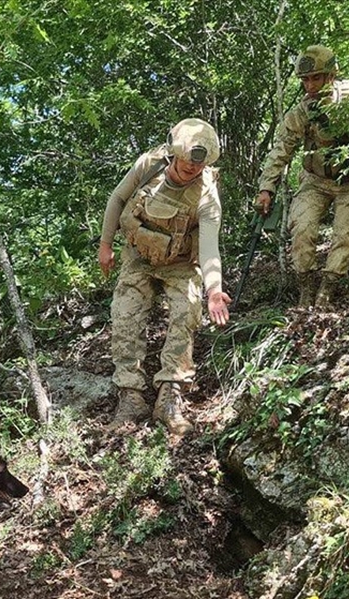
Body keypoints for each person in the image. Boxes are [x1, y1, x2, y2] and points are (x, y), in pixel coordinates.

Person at [98, 118, 232, 435]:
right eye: (187, 165)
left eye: (198, 168)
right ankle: (130, 397)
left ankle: (170, 396)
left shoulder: (206, 195)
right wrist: (105, 244)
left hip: (181, 261)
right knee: (124, 317)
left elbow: (210, 247)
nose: (192, 171)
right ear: (174, 154)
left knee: (187, 312)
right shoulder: (150, 165)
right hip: (139, 255)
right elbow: (118, 198)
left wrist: (215, 290)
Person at [255, 44, 349, 308]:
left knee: (346, 233)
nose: (310, 85)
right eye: (305, 80)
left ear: (331, 75)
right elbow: (281, 150)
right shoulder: (301, 112)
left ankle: (328, 287)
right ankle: (305, 287)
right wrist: (267, 188)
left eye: (316, 78)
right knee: (302, 228)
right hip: (315, 180)